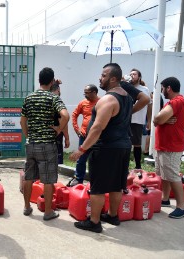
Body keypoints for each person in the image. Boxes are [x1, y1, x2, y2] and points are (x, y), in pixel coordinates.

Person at [70, 63, 133, 233]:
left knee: (97, 187)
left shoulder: (108, 99)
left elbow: (97, 128)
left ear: (113, 78)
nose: (100, 78)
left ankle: (94, 221)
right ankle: (112, 215)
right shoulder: (127, 96)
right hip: (123, 146)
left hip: (106, 148)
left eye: (104, 75)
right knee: (116, 185)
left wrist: (82, 149)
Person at [21, 67, 69, 222]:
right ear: (52, 81)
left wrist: (28, 135)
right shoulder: (53, 98)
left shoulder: (29, 97)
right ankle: (48, 212)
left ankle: (27, 207)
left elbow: (22, 121)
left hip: (31, 144)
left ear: (39, 80)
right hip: (48, 144)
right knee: (48, 180)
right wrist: (59, 129)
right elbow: (65, 115)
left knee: (29, 177)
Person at [153, 77, 184, 218]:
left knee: (173, 176)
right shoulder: (174, 103)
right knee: (164, 174)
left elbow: (157, 119)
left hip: (171, 146)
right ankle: (165, 199)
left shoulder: (177, 102)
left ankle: (181, 207)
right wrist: (162, 119)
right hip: (165, 145)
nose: (162, 91)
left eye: (162, 88)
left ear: (168, 88)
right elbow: (159, 120)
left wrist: (161, 119)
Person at [70, 84, 100, 186]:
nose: (85, 95)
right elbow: (74, 115)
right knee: (81, 159)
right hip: (84, 136)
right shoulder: (83, 103)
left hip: (97, 137)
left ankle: (95, 182)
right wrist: (76, 129)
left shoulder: (102, 102)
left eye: (87, 93)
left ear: (94, 92)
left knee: (96, 160)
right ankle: (78, 180)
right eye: (84, 93)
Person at [128, 69, 150, 169]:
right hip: (126, 120)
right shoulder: (126, 87)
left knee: (137, 144)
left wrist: (149, 120)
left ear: (139, 76)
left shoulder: (144, 89)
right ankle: (124, 165)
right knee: (126, 143)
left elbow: (149, 105)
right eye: (131, 74)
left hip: (138, 120)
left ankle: (138, 166)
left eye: (134, 74)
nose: (132, 75)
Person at [50, 83, 70, 164]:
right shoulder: (57, 101)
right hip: (56, 133)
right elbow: (64, 118)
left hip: (43, 134)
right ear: (58, 90)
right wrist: (67, 138)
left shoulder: (43, 99)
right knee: (57, 160)